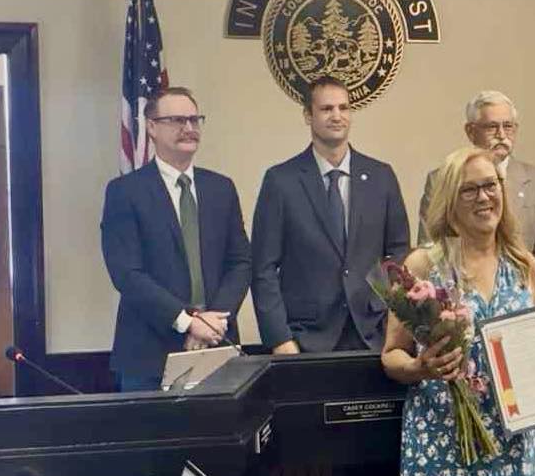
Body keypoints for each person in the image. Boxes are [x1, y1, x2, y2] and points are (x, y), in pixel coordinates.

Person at [382, 146, 535, 476]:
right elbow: (391, 356)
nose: (484, 197)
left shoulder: (524, 266)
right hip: (443, 442)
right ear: (450, 202)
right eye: (469, 190)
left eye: (491, 185)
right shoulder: (424, 264)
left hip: (514, 443)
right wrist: (419, 368)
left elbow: (534, 345)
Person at [101, 87, 251, 391]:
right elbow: (127, 274)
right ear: (152, 127)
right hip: (149, 354)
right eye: (177, 120)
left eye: (195, 120)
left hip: (217, 346)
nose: (189, 128)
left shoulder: (221, 188)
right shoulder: (125, 192)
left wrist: (211, 323)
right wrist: (186, 321)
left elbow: (240, 262)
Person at [251, 76, 410, 354]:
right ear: (307, 116)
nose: (337, 116)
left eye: (344, 108)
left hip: (373, 333)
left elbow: (398, 252)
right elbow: (263, 267)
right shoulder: (281, 181)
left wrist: (382, 305)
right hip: (306, 338)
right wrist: (279, 338)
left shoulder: (381, 176)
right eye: (326, 109)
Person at [416, 90, 535, 290]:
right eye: (492, 127)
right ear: (470, 131)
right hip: (459, 301)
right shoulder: (440, 180)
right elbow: (431, 242)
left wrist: (523, 286)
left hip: (522, 299)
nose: (502, 135)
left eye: (508, 126)